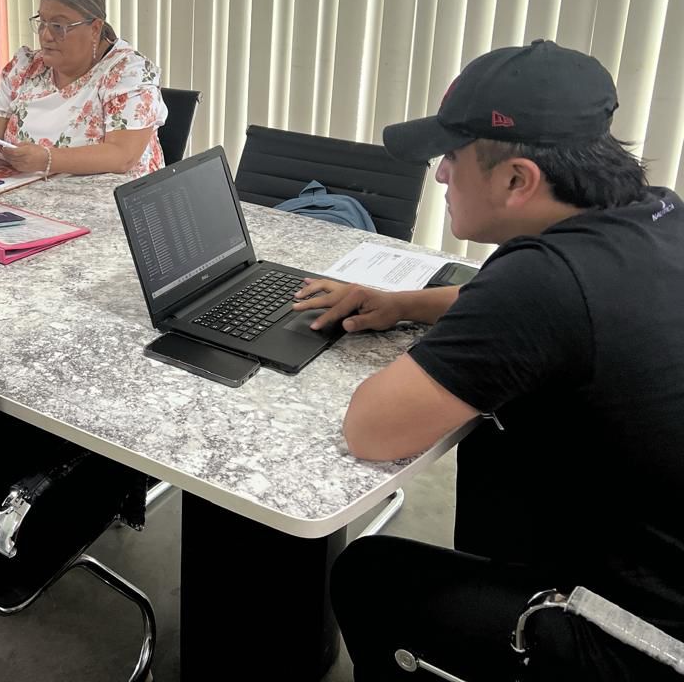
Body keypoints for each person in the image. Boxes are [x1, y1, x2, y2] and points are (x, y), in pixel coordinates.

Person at [293, 40, 684, 681]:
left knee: (369, 575)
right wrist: (402, 304)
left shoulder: (542, 280)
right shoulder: (654, 214)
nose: (440, 176)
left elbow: (371, 429)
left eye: (451, 157)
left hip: (647, 640)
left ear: (516, 180)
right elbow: (548, 311)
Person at [0, 0, 167, 177]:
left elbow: (122, 156)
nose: (46, 35)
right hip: (27, 195)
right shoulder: (26, 68)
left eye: (59, 26)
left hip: (106, 200)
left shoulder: (127, 73)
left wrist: (48, 159)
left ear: (95, 29)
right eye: (42, 22)